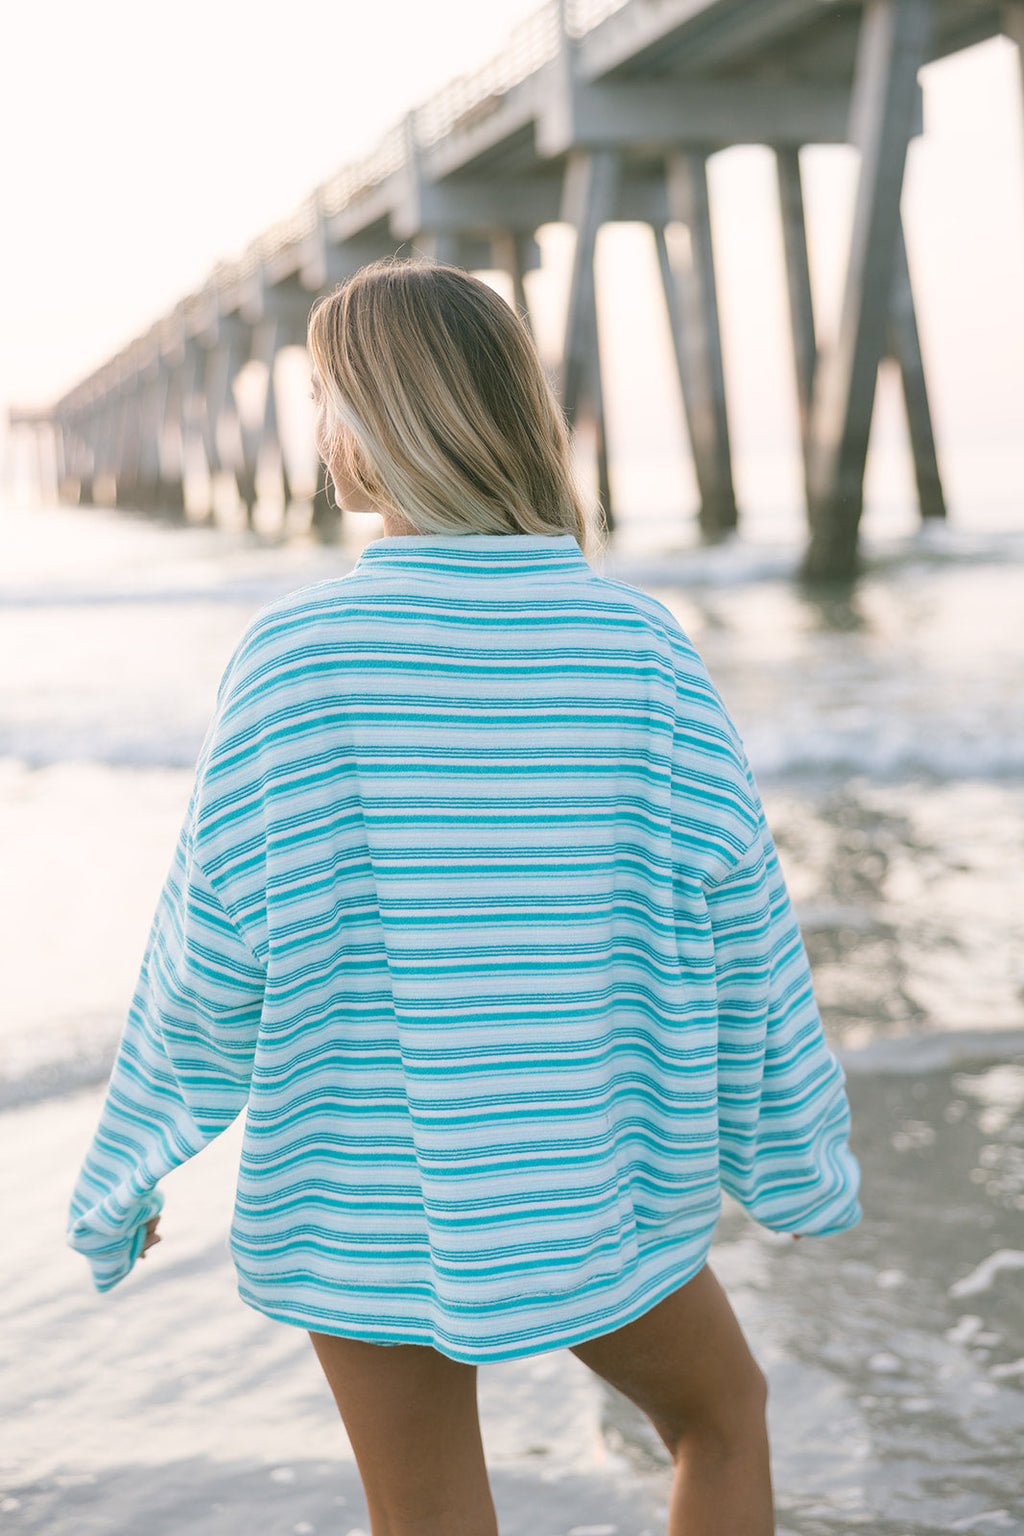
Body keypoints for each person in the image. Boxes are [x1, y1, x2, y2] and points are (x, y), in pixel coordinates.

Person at [68, 257, 861, 1536]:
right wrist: (793, 1159)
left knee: (429, 1515)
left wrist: (131, 1166)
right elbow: (743, 927)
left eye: (330, 398)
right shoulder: (637, 647)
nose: (320, 434)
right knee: (722, 1420)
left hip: (363, 1187)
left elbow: (213, 945)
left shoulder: (299, 657)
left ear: (389, 423)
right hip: (589, 1174)